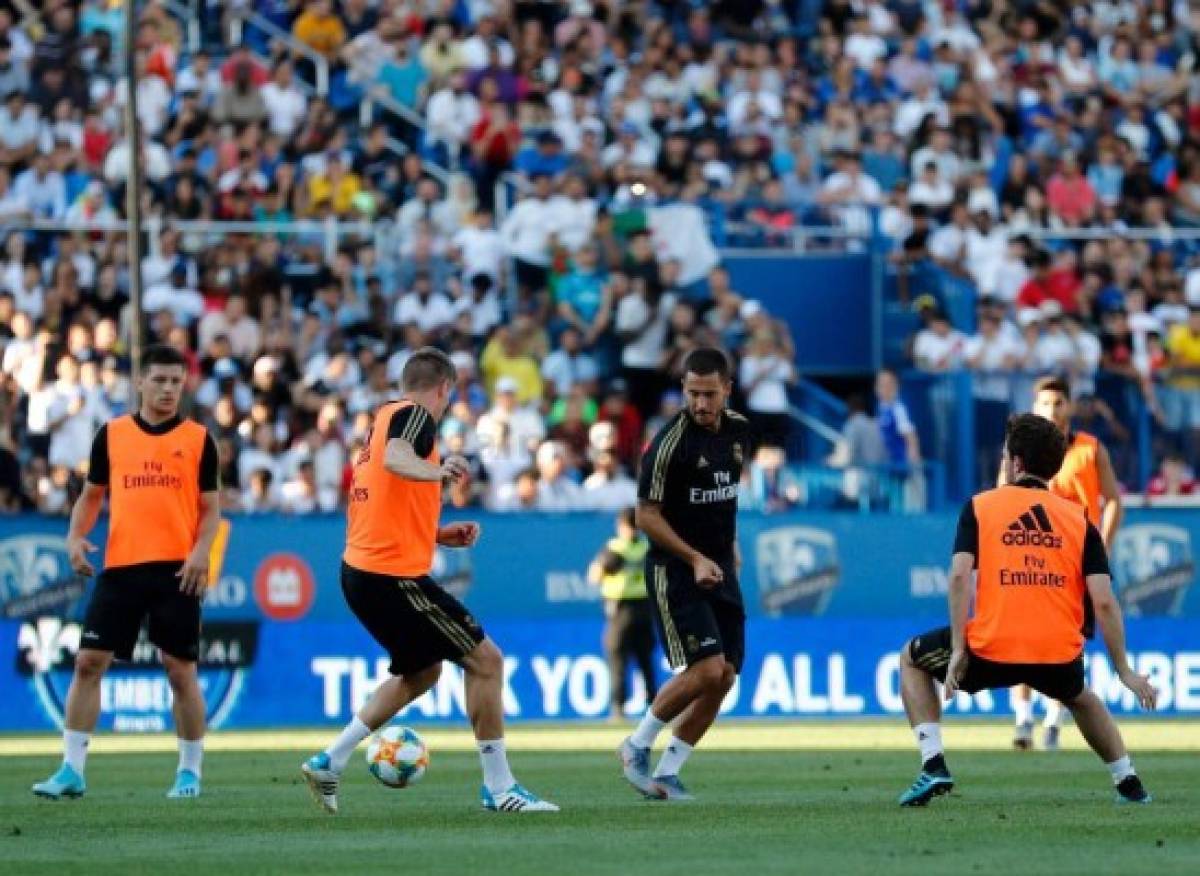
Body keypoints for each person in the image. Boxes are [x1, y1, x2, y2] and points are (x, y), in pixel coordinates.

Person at [301, 348, 557, 814]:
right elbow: (401, 460)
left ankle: (329, 760)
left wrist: (436, 533)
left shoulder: (380, 421)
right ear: (444, 389)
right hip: (389, 575)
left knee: (424, 671)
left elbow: (379, 500)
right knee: (486, 661)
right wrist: (438, 470)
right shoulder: (416, 417)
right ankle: (500, 788)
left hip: (362, 570)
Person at [897, 413, 1156, 807]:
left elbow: (958, 578)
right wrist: (1124, 671)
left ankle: (933, 764)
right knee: (1081, 697)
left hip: (990, 647)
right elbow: (1103, 600)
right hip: (1056, 651)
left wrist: (959, 649)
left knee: (911, 659)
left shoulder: (982, 506)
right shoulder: (1079, 521)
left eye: (1006, 454)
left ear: (1016, 462)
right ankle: (1129, 783)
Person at [32, 345, 222, 800]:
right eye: (159, 380)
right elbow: (92, 495)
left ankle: (189, 773)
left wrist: (201, 551)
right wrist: (75, 537)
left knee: (179, 671)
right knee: (87, 662)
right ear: (140, 383)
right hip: (121, 567)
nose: (168, 389)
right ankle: (71, 770)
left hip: (178, 571)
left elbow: (212, 508)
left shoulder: (199, 439)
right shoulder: (112, 434)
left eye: (176, 382)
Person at [618, 348, 751, 802]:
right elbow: (646, 515)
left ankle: (670, 769)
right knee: (706, 668)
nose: (700, 403)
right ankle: (635, 745)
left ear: (727, 390)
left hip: (719, 567)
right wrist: (694, 558)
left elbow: (723, 495)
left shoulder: (739, 432)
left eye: (709, 394)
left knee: (725, 676)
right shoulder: (668, 444)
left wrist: (728, 546)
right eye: (692, 393)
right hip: (676, 569)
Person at [1002, 376, 1123, 751]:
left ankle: (1054, 721)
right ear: (1034, 408)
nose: (1052, 411)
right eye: (1044, 404)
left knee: (1066, 642)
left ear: (1069, 407)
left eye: (1058, 403)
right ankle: (1023, 721)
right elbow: (1002, 498)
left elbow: (1114, 499)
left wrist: (1100, 546)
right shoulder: (1019, 452)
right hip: (1033, 559)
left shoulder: (1090, 449)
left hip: (1074, 561)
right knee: (1021, 635)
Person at [587, 508, 657, 722]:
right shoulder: (647, 548)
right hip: (641, 608)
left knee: (619, 660)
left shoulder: (614, 549)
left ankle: (620, 708)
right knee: (643, 661)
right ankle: (653, 707)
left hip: (623, 609)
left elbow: (594, 577)